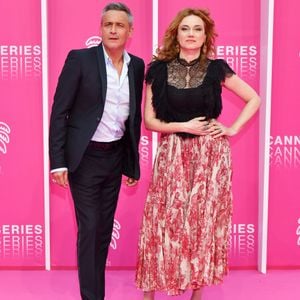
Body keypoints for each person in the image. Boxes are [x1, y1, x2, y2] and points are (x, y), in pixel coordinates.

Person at [135, 8, 260, 300]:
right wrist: (183, 125)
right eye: (185, 28)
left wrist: (231, 129)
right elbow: (150, 121)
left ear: (205, 37)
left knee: (202, 222)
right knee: (161, 220)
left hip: (210, 156)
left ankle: (197, 293)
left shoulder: (217, 69)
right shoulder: (158, 70)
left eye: (197, 29)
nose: (191, 34)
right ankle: (149, 294)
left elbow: (254, 98)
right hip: (173, 152)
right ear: (176, 34)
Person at [49, 2, 145, 299]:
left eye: (119, 25)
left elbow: (133, 119)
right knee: (89, 229)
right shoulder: (81, 60)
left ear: (130, 31)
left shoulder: (137, 66)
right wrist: (58, 162)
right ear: (101, 29)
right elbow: (60, 112)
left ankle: (96, 293)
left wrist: (131, 164)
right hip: (84, 159)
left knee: (103, 231)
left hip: (115, 159)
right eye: (108, 24)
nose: (113, 29)